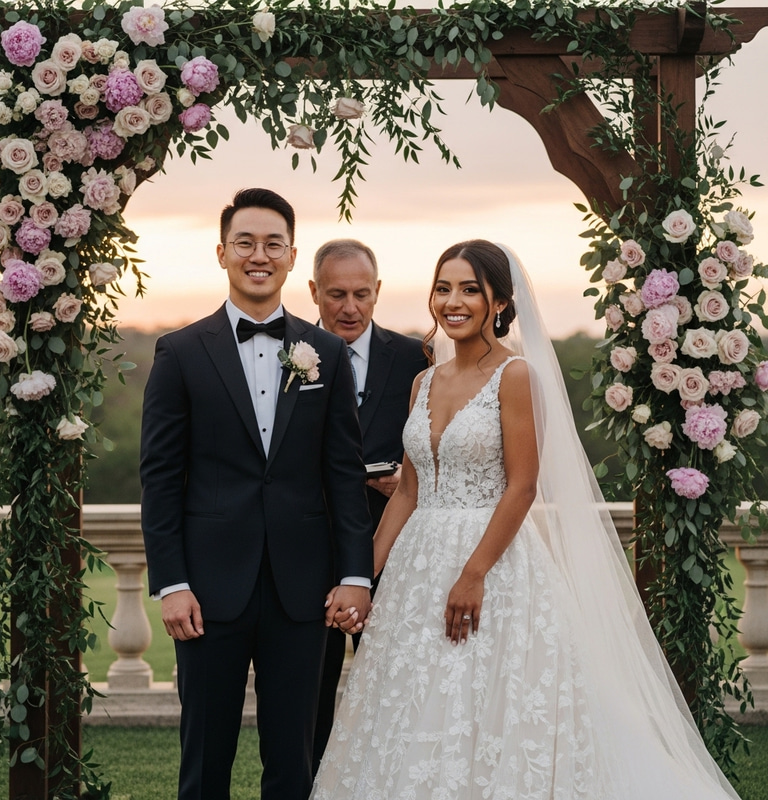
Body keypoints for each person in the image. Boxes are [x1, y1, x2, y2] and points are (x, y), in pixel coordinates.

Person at [311, 240, 740, 799]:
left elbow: (522, 486)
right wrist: (360, 577)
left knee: (488, 699)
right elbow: (408, 493)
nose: (453, 301)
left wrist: (473, 574)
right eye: (444, 288)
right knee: (414, 699)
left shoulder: (515, 376)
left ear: (499, 301)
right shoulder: (423, 382)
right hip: (418, 566)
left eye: (469, 289)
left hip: (492, 563)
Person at [140, 188, 374, 800]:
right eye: (245, 242)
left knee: (295, 762)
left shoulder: (324, 352)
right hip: (207, 592)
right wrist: (171, 583)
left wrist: (356, 573)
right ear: (222, 253)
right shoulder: (181, 352)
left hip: (304, 591)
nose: (259, 255)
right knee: (205, 762)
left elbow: (343, 475)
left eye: (273, 243)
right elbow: (160, 479)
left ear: (293, 256)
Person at [308, 239, 429, 768]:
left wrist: (410, 476)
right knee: (309, 694)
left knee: (397, 686)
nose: (350, 308)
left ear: (378, 292)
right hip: (309, 547)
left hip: (396, 549)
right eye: (336, 295)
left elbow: (442, 443)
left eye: (361, 294)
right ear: (314, 291)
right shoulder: (291, 351)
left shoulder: (412, 358)